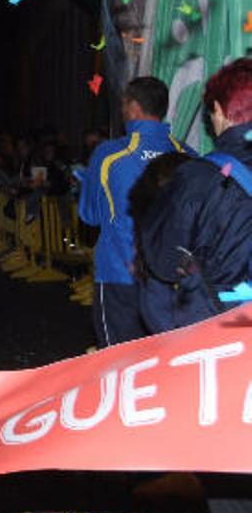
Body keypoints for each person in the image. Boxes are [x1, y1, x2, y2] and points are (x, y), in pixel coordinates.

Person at [135, 58, 252, 513]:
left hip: (227, 346)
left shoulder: (200, 179)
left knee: (231, 467)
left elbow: (161, 264)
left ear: (222, 113)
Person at [77, 76, 188, 346]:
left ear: (134, 107)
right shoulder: (188, 154)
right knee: (163, 360)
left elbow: (89, 215)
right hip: (172, 278)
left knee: (117, 361)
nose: (122, 111)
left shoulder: (109, 154)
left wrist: (86, 181)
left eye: (124, 104)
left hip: (119, 273)